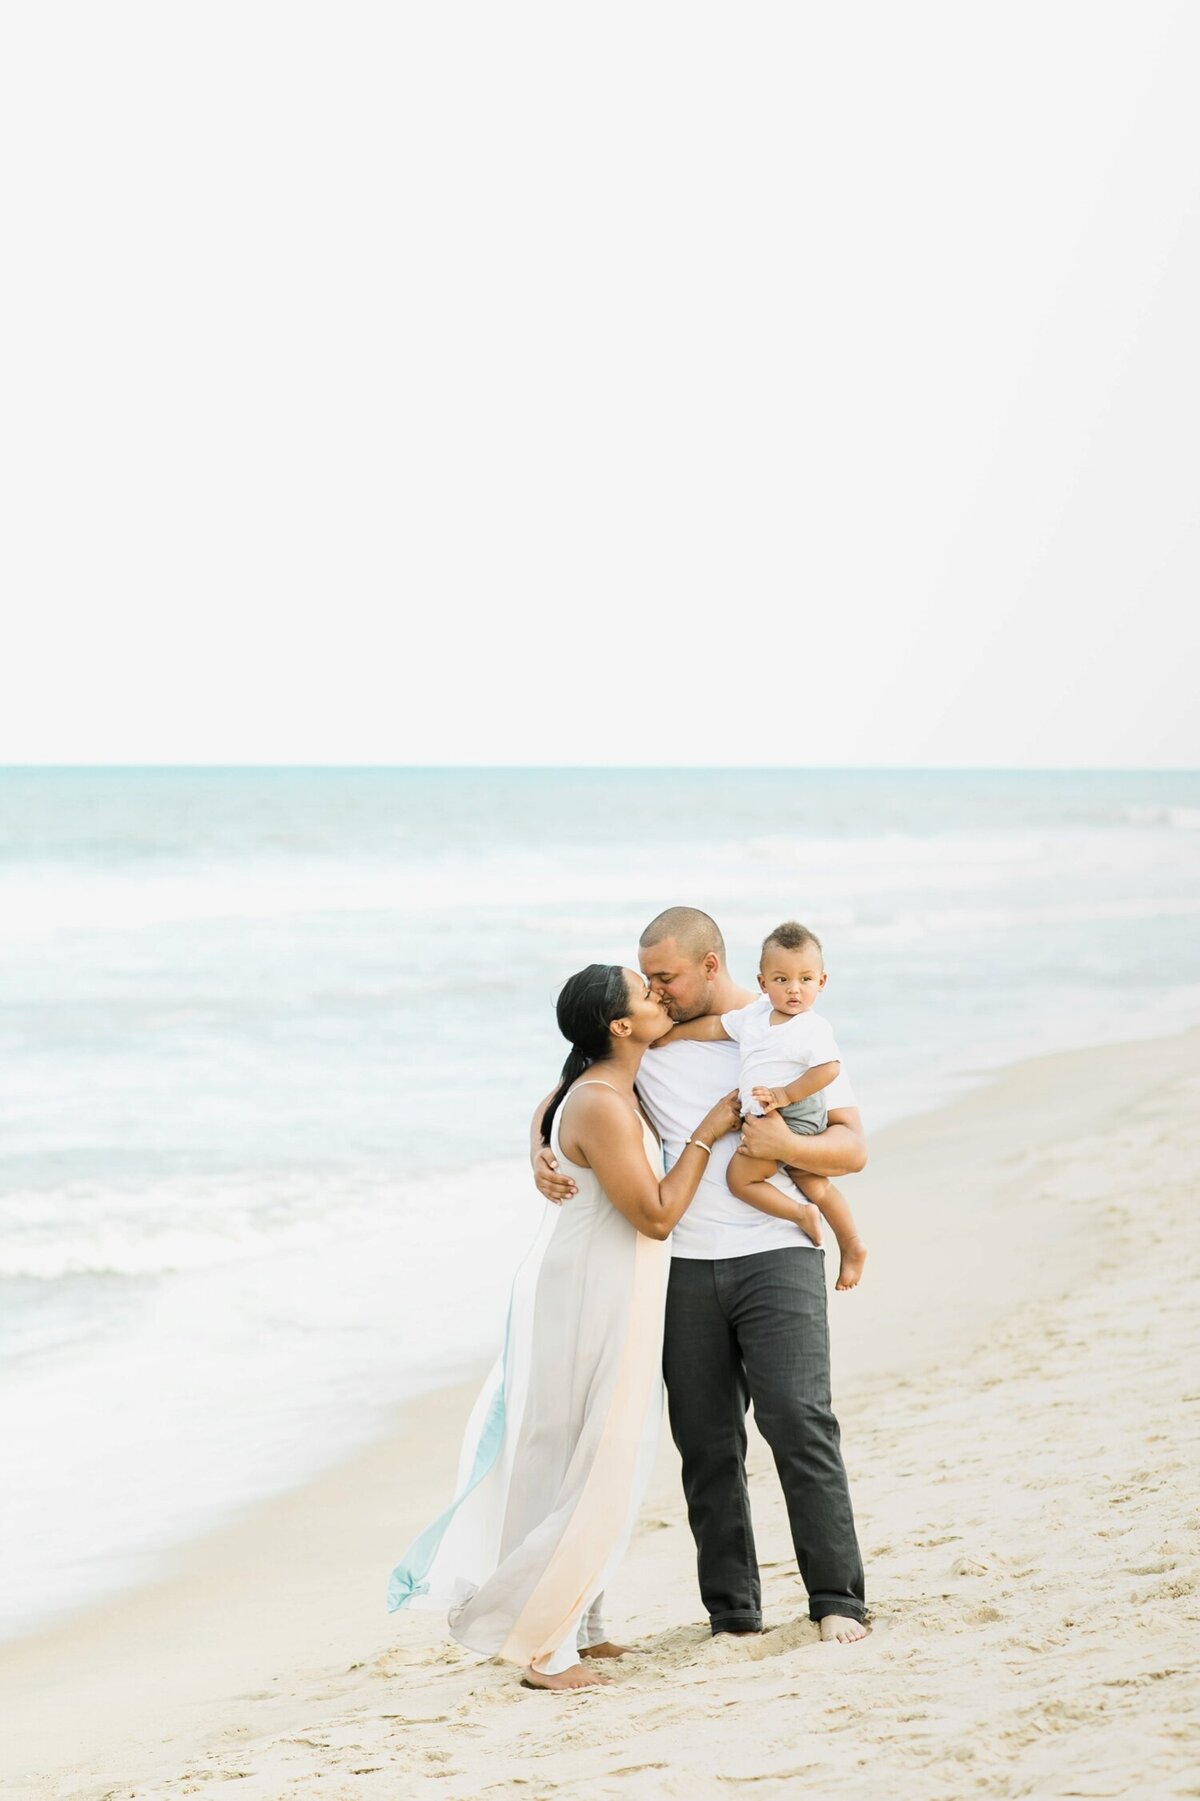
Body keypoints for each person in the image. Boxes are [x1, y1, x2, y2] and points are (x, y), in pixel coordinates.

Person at [389, 963, 740, 1690]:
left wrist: (537, 1145)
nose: (660, 996)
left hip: (620, 1288)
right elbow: (655, 1213)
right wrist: (707, 1134)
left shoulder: (614, 1082)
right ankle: (542, 1647)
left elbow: (551, 1104)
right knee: (592, 1458)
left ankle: (582, 1622)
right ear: (619, 1025)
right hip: (593, 1294)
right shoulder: (606, 1100)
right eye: (647, 993)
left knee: (596, 1454)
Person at [533, 908, 868, 1645]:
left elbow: (852, 1147)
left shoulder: (784, 1028)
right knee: (707, 1443)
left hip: (776, 1250)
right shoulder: (645, 1043)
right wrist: (538, 1144)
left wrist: (783, 1141)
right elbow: (575, 1091)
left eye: (666, 977)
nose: (655, 991)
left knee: (797, 1418)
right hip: (679, 1269)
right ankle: (734, 1615)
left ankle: (838, 1599)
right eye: (646, 980)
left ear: (710, 966)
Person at [650, 919, 868, 1293]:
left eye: (805, 979)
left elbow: (828, 1070)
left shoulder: (811, 1027)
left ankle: (802, 1216)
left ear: (821, 982)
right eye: (782, 980)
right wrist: (671, 1035)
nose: (794, 989)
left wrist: (785, 1102)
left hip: (792, 1113)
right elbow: (716, 1028)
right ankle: (851, 1244)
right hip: (770, 1117)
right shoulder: (752, 1017)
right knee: (813, 1183)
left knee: (742, 1178)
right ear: (763, 983)